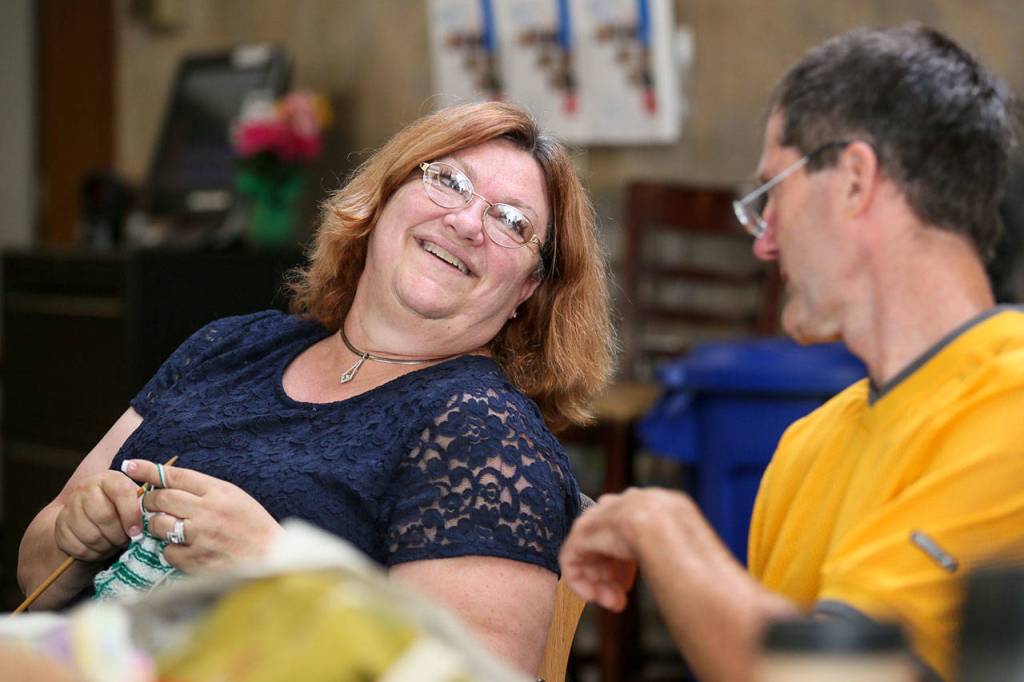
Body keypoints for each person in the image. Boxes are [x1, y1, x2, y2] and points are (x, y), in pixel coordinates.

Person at [18, 101, 615, 674]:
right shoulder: (230, 346)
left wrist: (278, 568)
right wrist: (78, 535)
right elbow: (33, 569)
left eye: (512, 222)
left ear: (529, 289)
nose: (465, 223)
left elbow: (471, 675)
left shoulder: (485, 433)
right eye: (449, 182)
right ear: (384, 198)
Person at [559, 23, 1024, 682]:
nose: (764, 245)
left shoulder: (1012, 402)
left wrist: (659, 526)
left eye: (772, 193)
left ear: (855, 180)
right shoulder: (804, 449)